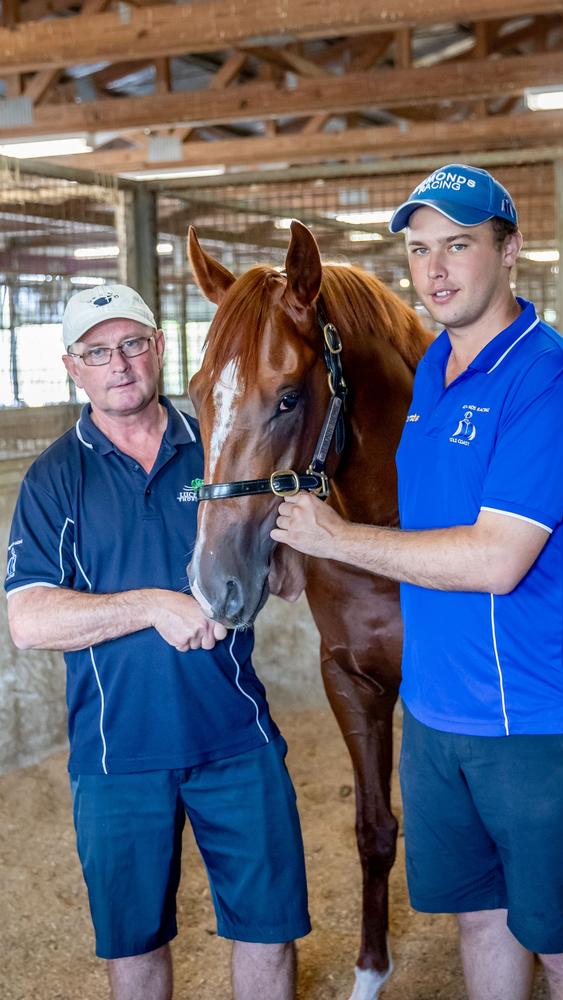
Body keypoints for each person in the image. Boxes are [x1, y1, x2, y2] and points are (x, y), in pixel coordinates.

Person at [270, 164, 563, 1000]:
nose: (435, 268)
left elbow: (497, 559)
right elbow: (406, 525)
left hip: (536, 718)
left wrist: (340, 539)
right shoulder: (433, 374)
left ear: (510, 250)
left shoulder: (550, 374)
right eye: (421, 248)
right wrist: (306, 541)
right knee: (480, 920)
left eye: (458, 245)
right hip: (438, 715)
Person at [5, 284, 310, 1000]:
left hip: (239, 741)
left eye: (133, 344)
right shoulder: (54, 478)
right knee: (136, 948)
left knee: (268, 932)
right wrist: (152, 606)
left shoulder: (218, 445)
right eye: (98, 352)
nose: (120, 364)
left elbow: (289, 573)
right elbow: (29, 621)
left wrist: (295, 544)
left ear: (159, 348)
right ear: (72, 367)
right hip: (118, 758)